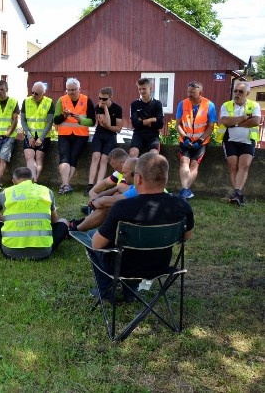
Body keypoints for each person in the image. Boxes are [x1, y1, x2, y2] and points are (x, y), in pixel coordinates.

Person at [89, 153, 194, 301]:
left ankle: (106, 293)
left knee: (91, 238)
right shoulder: (182, 205)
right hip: (160, 266)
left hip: (122, 268)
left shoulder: (122, 208)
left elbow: (97, 244)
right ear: (165, 177)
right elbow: (186, 237)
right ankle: (130, 293)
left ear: (138, 178)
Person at [0, 166, 68, 260]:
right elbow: (54, 220)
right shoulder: (47, 191)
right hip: (43, 252)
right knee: (64, 222)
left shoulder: (6, 193)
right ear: (33, 180)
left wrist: (8, 221)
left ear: (13, 181)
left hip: (11, 252)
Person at [217, 81, 261, 206]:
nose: (237, 94)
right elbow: (225, 121)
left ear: (247, 93)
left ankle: (237, 193)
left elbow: (256, 121)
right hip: (230, 140)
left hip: (248, 140)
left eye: (240, 92)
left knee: (245, 165)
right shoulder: (226, 105)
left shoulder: (255, 105)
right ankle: (238, 194)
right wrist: (243, 118)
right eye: (235, 91)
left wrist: (234, 123)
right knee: (233, 166)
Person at [69, 157, 138, 232]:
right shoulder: (135, 187)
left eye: (124, 173)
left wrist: (94, 201)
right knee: (115, 194)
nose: (123, 176)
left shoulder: (137, 190)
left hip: (134, 223)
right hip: (133, 215)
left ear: (133, 174)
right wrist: (96, 195)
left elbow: (102, 203)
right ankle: (82, 222)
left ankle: (75, 229)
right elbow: (114, 187)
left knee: (108, 206)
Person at [175, 81, 217, 199]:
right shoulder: (182, 104)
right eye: (188, 91)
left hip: (201, 141)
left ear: (200, 92)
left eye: (193, 92)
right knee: (184, 162)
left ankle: (185, 189)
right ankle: (185, 189)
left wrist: (200, 140)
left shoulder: (209, 105)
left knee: (194, 164)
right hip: (185, 140)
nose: (189, 94)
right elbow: (178, 124)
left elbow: (211, 126)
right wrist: (185, 137)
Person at [53, 77, 95, 194]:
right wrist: (64, 115)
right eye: (68, 90)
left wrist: (81, 120)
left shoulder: (87, 100)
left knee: (73, 159)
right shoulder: (61, 100)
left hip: (81, 135)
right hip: (64, 134)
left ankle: (65, 185)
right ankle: (66, 185)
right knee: (64, 158)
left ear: (79, 89)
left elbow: (92, 121)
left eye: (73, 90)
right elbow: (56, 120)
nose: (71, 92)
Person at [86, 87, 123, 196]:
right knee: (96, 156)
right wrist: (110, 125)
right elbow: (105, 124)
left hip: (111, 137)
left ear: (111, 97)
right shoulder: (98, 107)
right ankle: (90, 185)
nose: (101, 101)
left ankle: (98, 185)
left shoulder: (117, 109)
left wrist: (106, 109)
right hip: (99, 134)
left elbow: (117, 128)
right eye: (100, 98)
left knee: (104, 158)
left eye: (104, 99)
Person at [20, 81, 54, 183]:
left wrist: (41, 138)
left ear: (43, 93)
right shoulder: (26, 101)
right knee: (29, 156)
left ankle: (34, 181)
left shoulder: (49, 102)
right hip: (30, 135)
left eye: (37, 93)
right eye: (32, 92)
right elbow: (23, 121)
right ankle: (32, 181)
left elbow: (49, 122)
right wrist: (30, 136)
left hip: (43, 136)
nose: (33, 95)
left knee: (39, 157)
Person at [129, 78, 164, 158]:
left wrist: (142, 121)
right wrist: (152, 119)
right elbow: (135, 124)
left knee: (153, 155)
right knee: (132, 153)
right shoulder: (134, 104)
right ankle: (133, 171)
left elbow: (160, 124)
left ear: (150, 88)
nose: (141, 91)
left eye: (144, 89)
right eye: (139, 89)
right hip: (138, 134)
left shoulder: (157, 104)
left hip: (153, 135)